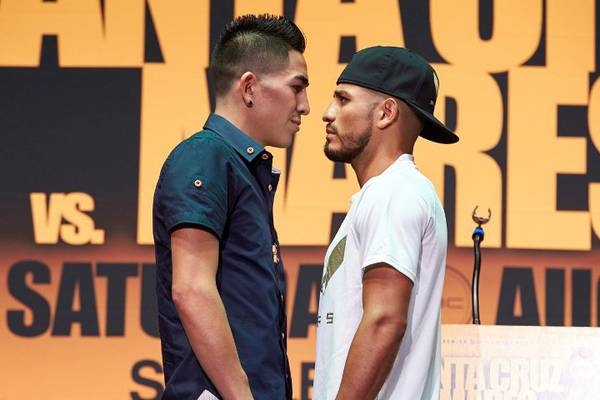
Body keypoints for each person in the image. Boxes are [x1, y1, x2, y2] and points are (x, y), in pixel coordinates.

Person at [152, 14, 309, 400]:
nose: (305, 106)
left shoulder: (240, 168)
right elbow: (191, 289)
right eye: (297, 87)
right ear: (250, 87)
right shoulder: (205, 157)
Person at [313, 46, 459, 400]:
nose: (327, 113)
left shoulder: (395, 192)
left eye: (343, 100)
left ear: (386, 112)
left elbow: (384, 320)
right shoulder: (387, 193)